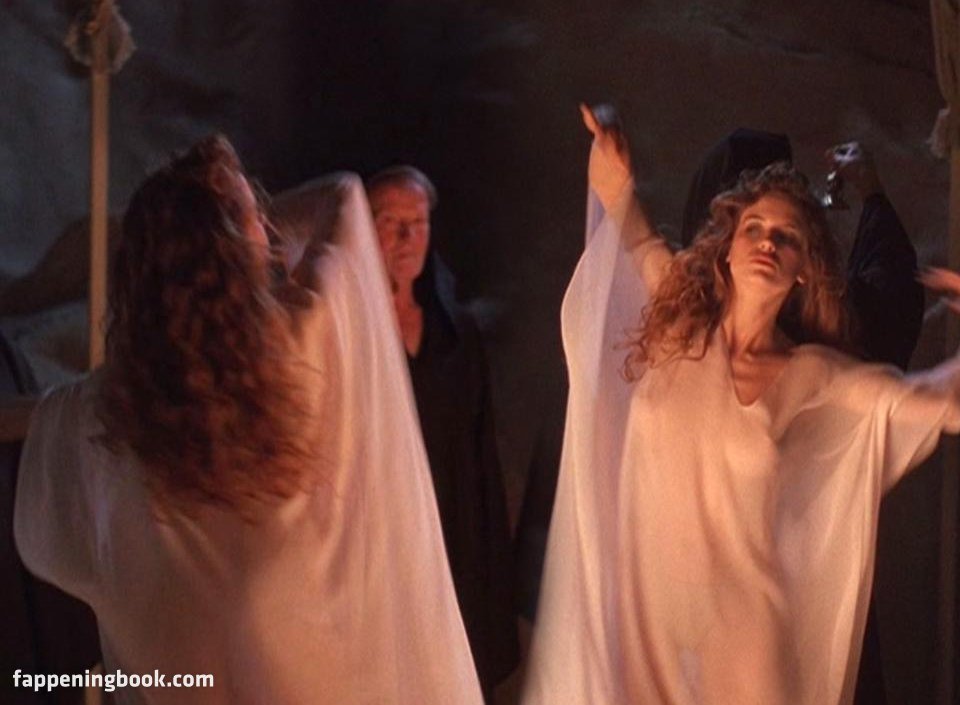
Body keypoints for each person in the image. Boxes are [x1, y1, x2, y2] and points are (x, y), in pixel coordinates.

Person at [14, 136, 484, 705]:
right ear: (237, 244)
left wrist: (188, 233)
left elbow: (44, 527)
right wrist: (223, 223)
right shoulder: (302, 339)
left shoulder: (110, 406)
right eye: (254, 213)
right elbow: (343, 194)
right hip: (307, 674)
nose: (266, 221)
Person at [521, 105, 960, 705]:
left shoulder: (810, 374)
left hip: (744, 647)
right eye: (754, 228)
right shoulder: (676, 327)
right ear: (726, 247)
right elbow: (628, 219)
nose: (768, 242)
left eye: (787, 237)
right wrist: (611, 157)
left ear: (803, 269)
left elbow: (935, 402)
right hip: (649, 629)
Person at [365, 166, 519, 702]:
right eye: (391, 221)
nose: (407, 237)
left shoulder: (455, 332)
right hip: (380, 537)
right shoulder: (348, 327)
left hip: (452, 531)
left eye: (418, 222)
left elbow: (479, 452)